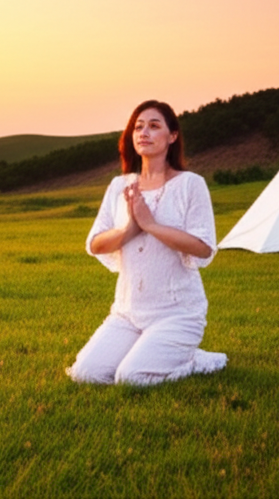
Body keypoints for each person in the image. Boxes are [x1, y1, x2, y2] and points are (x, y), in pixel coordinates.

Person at [66, 100, 227, 385]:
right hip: (128, 313)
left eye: (154, 126)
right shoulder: (119, 186)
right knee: (85, 374)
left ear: (172, 136)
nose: (144, 132)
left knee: (131, 378)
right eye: (138, 127)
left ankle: (192, 359)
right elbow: (95, 244)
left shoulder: (191, 184)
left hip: (177, 314)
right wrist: (131, 227)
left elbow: (203, 247)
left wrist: (151, 224)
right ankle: (153, 350)